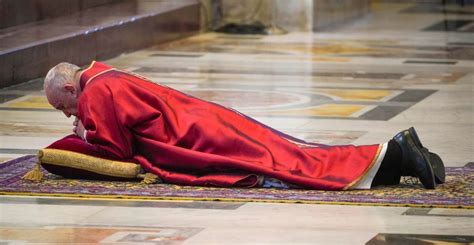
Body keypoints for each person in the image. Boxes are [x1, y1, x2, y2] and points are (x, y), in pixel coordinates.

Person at [43, 61, 445, 190]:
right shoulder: (107, 74)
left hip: (197, 138)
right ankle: (401, 154)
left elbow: (117, 151)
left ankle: (396, 153)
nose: (69, 114)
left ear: (68, 85)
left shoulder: (96, 93)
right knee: (292, 152)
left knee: (288, 165)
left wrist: (81, 135)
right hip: (207, 121)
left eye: (65, 106)